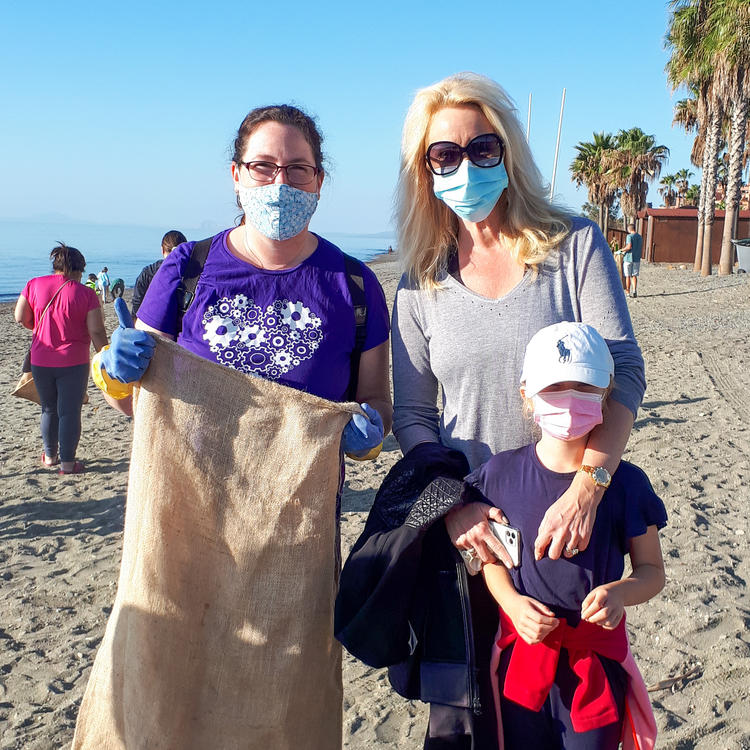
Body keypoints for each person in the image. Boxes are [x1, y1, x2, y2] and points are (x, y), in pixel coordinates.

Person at [389, 72, 645, 746]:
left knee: (570, 719)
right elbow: (412, 415)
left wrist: (589, 488)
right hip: (468, 540)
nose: (464, 164)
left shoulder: (575, 246)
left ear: (508, 152)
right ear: (423, 169)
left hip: (565, 533)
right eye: (443, 154)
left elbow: (625, 373)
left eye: (482, 147)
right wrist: (455, 507)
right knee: (465, 721)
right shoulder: (419, 279)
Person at [92, 102, 391, 454]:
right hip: (189, 496)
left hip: (303, 501)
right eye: (262, 166)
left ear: (318, 181)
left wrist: (370, 435)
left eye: (297, 168)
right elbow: (139, 403)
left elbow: (376, 400)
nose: (281, 182)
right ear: (236, 175)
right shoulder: (186, 269)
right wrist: (114, 377)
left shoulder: (357, 286)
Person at [472, 322, 665, 748]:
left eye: (584, 386)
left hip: (594, 665)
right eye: (554, 387)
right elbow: (491, 560)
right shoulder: (500, 475)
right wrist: (511, 603)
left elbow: (652, 571)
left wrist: (619, 593)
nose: (570, 398)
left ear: (607, 391)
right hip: (523, 661)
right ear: (526, 392)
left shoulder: (628, 484)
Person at [14, 243, 108, 474]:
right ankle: (67, 463)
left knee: (48, 409)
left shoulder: (34, 284)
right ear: (78, 269)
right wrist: (105, 354)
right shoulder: (86, 294)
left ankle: (49, 456)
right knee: (69, 412)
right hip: (73, 362)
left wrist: (38, 327)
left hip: (41, 360)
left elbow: (20, 317)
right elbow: (96, 330)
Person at [131, 230, 187, 318]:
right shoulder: (196, 274)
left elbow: (137, 306)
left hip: (153, 324)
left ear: (162, 250)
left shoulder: (148, 273)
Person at [621, 224, 643, 298]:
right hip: (637, 258)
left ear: (629, 229)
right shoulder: (640, 237)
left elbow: (629, 247)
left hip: (628, 258)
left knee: (627, 276)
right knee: (634, 275)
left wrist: (621, 250)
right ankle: (634, 290)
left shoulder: (629, 236)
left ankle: (627, 292)